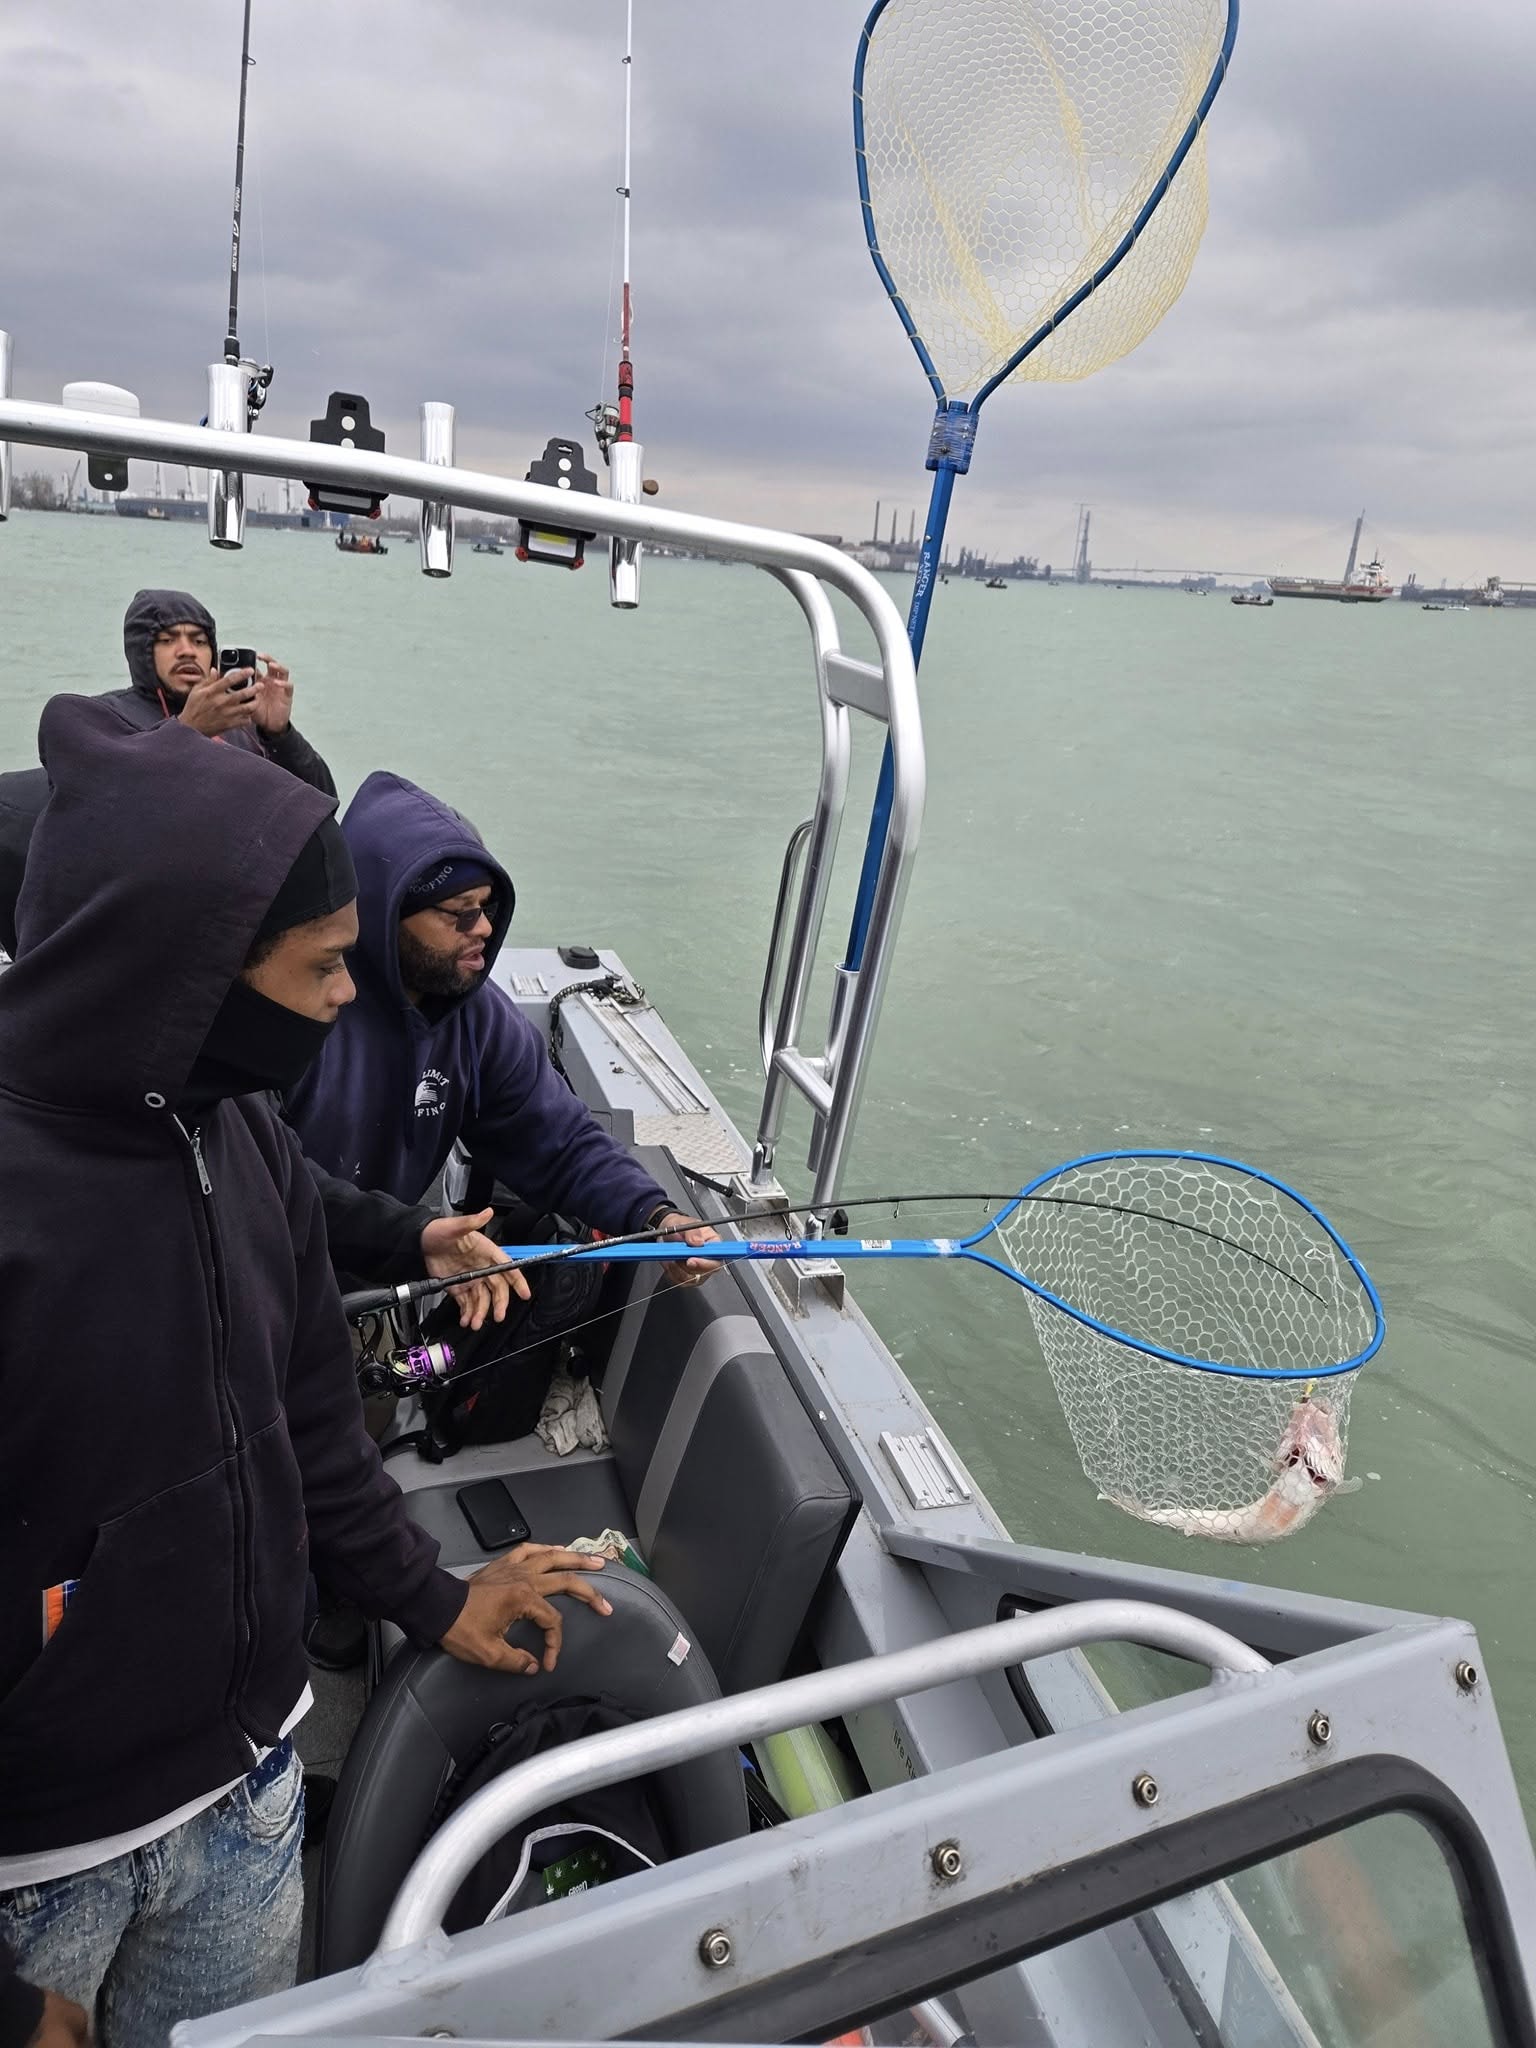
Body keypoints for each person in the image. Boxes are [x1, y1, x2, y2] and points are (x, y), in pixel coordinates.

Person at [0, 699, 611, 2048]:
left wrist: (433, 1597)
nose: (347, 994)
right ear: (195, 968)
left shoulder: (245, 1136)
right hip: (38, 1860)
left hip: (250, 1781)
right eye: (325, 964)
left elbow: (318, 1428)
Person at [284, 770, 719, 1441]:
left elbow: (561, 1142)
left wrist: (653, 1216)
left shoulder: (480, 1022)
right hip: (266, 1275)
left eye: (487, 908)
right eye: (458, 914)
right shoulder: (298, 1011)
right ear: (383, 913)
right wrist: (410, 1239)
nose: (483, 929)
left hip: (382, 1277)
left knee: (360, 1427)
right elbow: (263, 1175)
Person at [0, 587, 335, 959]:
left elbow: (321, 813)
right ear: (141, 650)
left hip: (236, 916)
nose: (187, 650)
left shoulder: (244, 727)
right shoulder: (104, 718)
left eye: (199, 640)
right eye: (168, 639)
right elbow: (97, 812)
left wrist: (280, 734)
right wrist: (187, 731)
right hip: (146, 923)